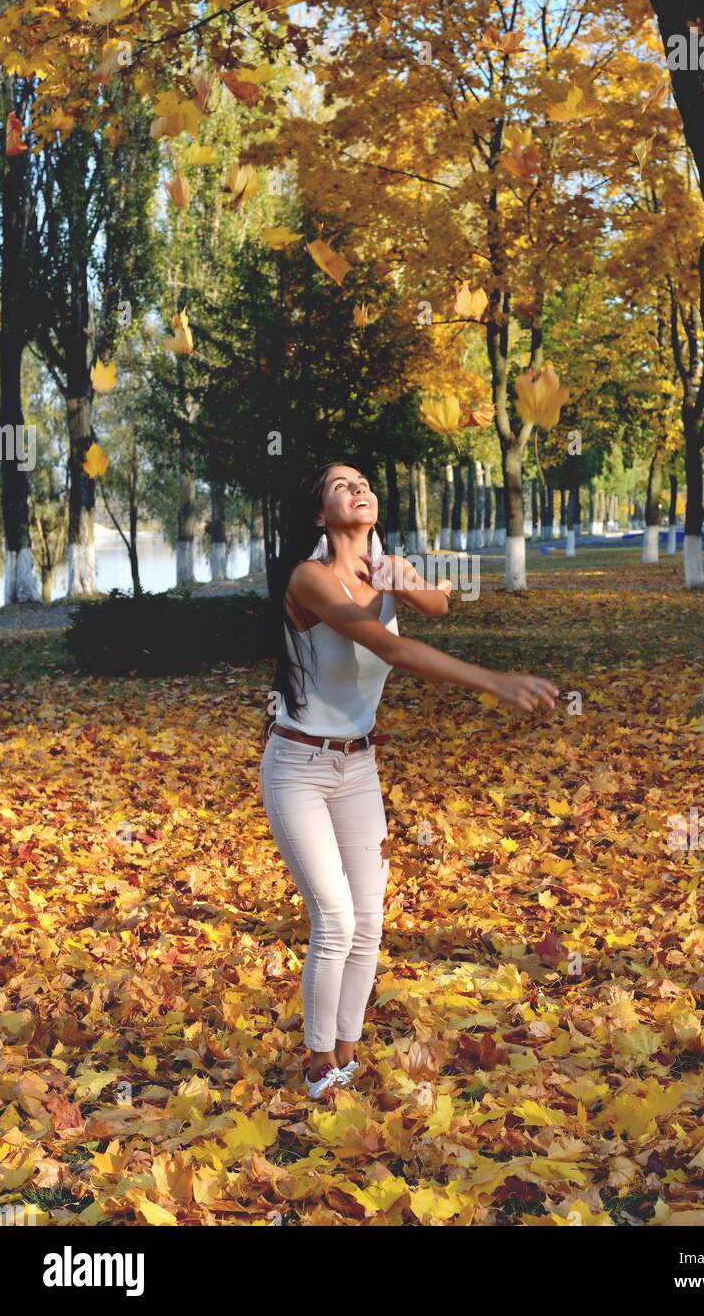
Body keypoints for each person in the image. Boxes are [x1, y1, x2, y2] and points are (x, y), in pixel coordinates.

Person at [260, 461, 559, 1100]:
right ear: (320, 514)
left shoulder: (387, 565)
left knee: (369, 919)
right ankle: (316, 1063)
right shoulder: (310, 579)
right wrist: (495, 682)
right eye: (341, 484)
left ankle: (346, 1054)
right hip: (299, 767)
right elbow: (390, 648)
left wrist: (403, 578)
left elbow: (439, 604)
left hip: (358, 764)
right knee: (335, 919)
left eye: (364, 482)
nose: (359, 488)